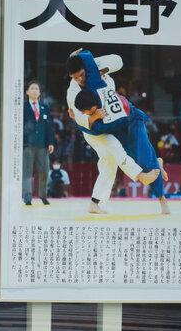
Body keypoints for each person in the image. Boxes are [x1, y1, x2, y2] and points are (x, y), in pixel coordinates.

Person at [65, 49, 158, 214]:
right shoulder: (73, 90)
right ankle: (139, 175)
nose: (80, 79)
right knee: (115, 147)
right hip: (93, 129)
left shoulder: (94, 68)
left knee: (109, 163)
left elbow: (118, 60)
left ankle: (95, 203)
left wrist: (101, 69)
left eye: (81, 74)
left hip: (110, 121)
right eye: (75, 77)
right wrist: (94, 117)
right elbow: (78, 118)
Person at [74, 85, 171, 215]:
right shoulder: (96, 118)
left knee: (146, 161)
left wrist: (89, 119)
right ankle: (155, 163)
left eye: (85, 112)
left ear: (92, 108)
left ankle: (162, 199)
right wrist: (90, 118)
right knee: (135, 160)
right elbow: (83, 127)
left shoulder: (100, 113)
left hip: (134, 122)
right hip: (119, 133)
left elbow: (86, 127)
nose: (85, 115)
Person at [22, 81, 55, 205]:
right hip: (28, 145)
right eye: (32, 88)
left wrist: (51, 142)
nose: (35, 90)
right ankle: (27, 197)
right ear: (27, 92)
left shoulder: (44, 107)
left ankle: (43, 195)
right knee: (27, 172)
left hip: (42, 145)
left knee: (44, 171)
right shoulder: (23, 107)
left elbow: (49, 126)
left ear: (39, 93)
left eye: (37, 88)